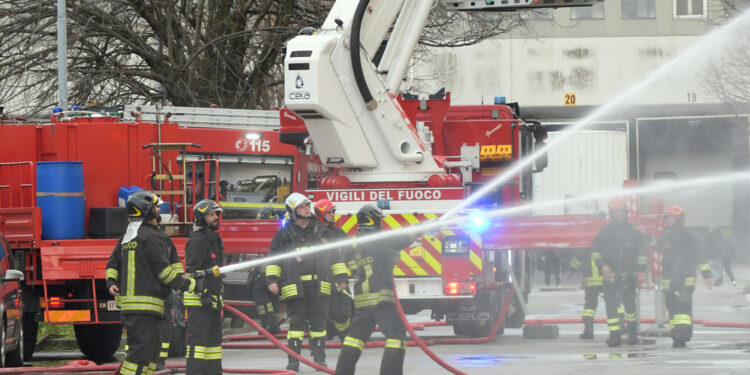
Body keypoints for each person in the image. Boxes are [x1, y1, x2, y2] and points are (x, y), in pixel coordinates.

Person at [106, 191, 203, 375]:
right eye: (157, 207)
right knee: (138, 357)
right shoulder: (151, 236)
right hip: (145, 308)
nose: (159, 211)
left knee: (151, 355)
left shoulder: (128, 237)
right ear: (147, 210)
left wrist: (111, 281)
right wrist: (187, 285)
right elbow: (163, 271)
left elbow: (112, 263)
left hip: (136, 309)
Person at [266, 193, 350, 371]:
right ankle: (293, 361)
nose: (306, 209)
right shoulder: (284, 235)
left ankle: (319, 360)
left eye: (307, 205)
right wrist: (272, 280)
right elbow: (274, 260)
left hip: (320, 285)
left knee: (319, 324)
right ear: (293, 211)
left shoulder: (321, 231)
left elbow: (335, 256)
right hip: (294, 287)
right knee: (296, 325)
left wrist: (342, 277)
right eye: (302, 206)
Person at [335, 205, 419, 375]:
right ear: (372, 220)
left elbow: (354, 266)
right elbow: (405, 237)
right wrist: (428, 225)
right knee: (396, 336)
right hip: (382, 299)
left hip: (362, 301)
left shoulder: (356, 244)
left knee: (354, 340)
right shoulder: (380, 240)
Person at [591, 197, 648, 347]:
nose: (620, 213)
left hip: (629, 274)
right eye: (617, 211)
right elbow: (595, 251)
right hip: (610, 274)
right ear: (612, 213)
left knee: (630, 307)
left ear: (627, 212)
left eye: (622, 210)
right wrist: (602, 266)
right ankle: (614, 336)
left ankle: (632, 335)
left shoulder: (634, 230)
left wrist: (641, 271)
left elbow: (642, 252)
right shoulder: (605, 231)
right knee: (611, 308)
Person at [657, 205, 712, 348]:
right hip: (669, 281)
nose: (668, 220)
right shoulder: (666, 237)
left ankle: (683, 336)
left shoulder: (690, 238)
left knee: (683, 310)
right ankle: (676, 336)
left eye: (671, 217)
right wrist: (643, 235)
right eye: (667, 218)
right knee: (673, 311)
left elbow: (701, 257)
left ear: (679, 219)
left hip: (685, 280)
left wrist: (706, 275)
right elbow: (654, 245)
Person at [184, 199, 225, 374]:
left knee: (214, 346)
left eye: (216, 214)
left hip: (213, 302)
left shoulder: (214, 240)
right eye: (211, 214)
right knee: (199, 345)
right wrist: (204, 293)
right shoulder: (196, 241)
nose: (215, 217)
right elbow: (192, 272)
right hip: (199, 303)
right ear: (201, 218)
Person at [314, 199, 354, 341]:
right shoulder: (313, 234)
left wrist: (354, 272)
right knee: (320, 311)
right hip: (319, 280)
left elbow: (349, 254)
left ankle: (345, 338)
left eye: (333, 211)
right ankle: (326, 335)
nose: (332, 214)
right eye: (329, 212)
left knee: (343, 309)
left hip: (337, 280)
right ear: (320, 214)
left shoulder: (338, 233)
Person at [249, 206, 282, 334]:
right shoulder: (278, 230)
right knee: (272, 296)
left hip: (270, 271)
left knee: (259, 292)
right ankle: (273, 325)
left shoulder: (273, 231)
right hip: (272, 271)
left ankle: (268, 323)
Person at [569, 248, 603, 339]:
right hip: (604, 281)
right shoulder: (604, 245)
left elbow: (576, 260)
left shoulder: (584, 248)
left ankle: (588, 331)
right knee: (613, 304)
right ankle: (621, 328)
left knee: (589, 308)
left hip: (591, 283)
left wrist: (571, 270)